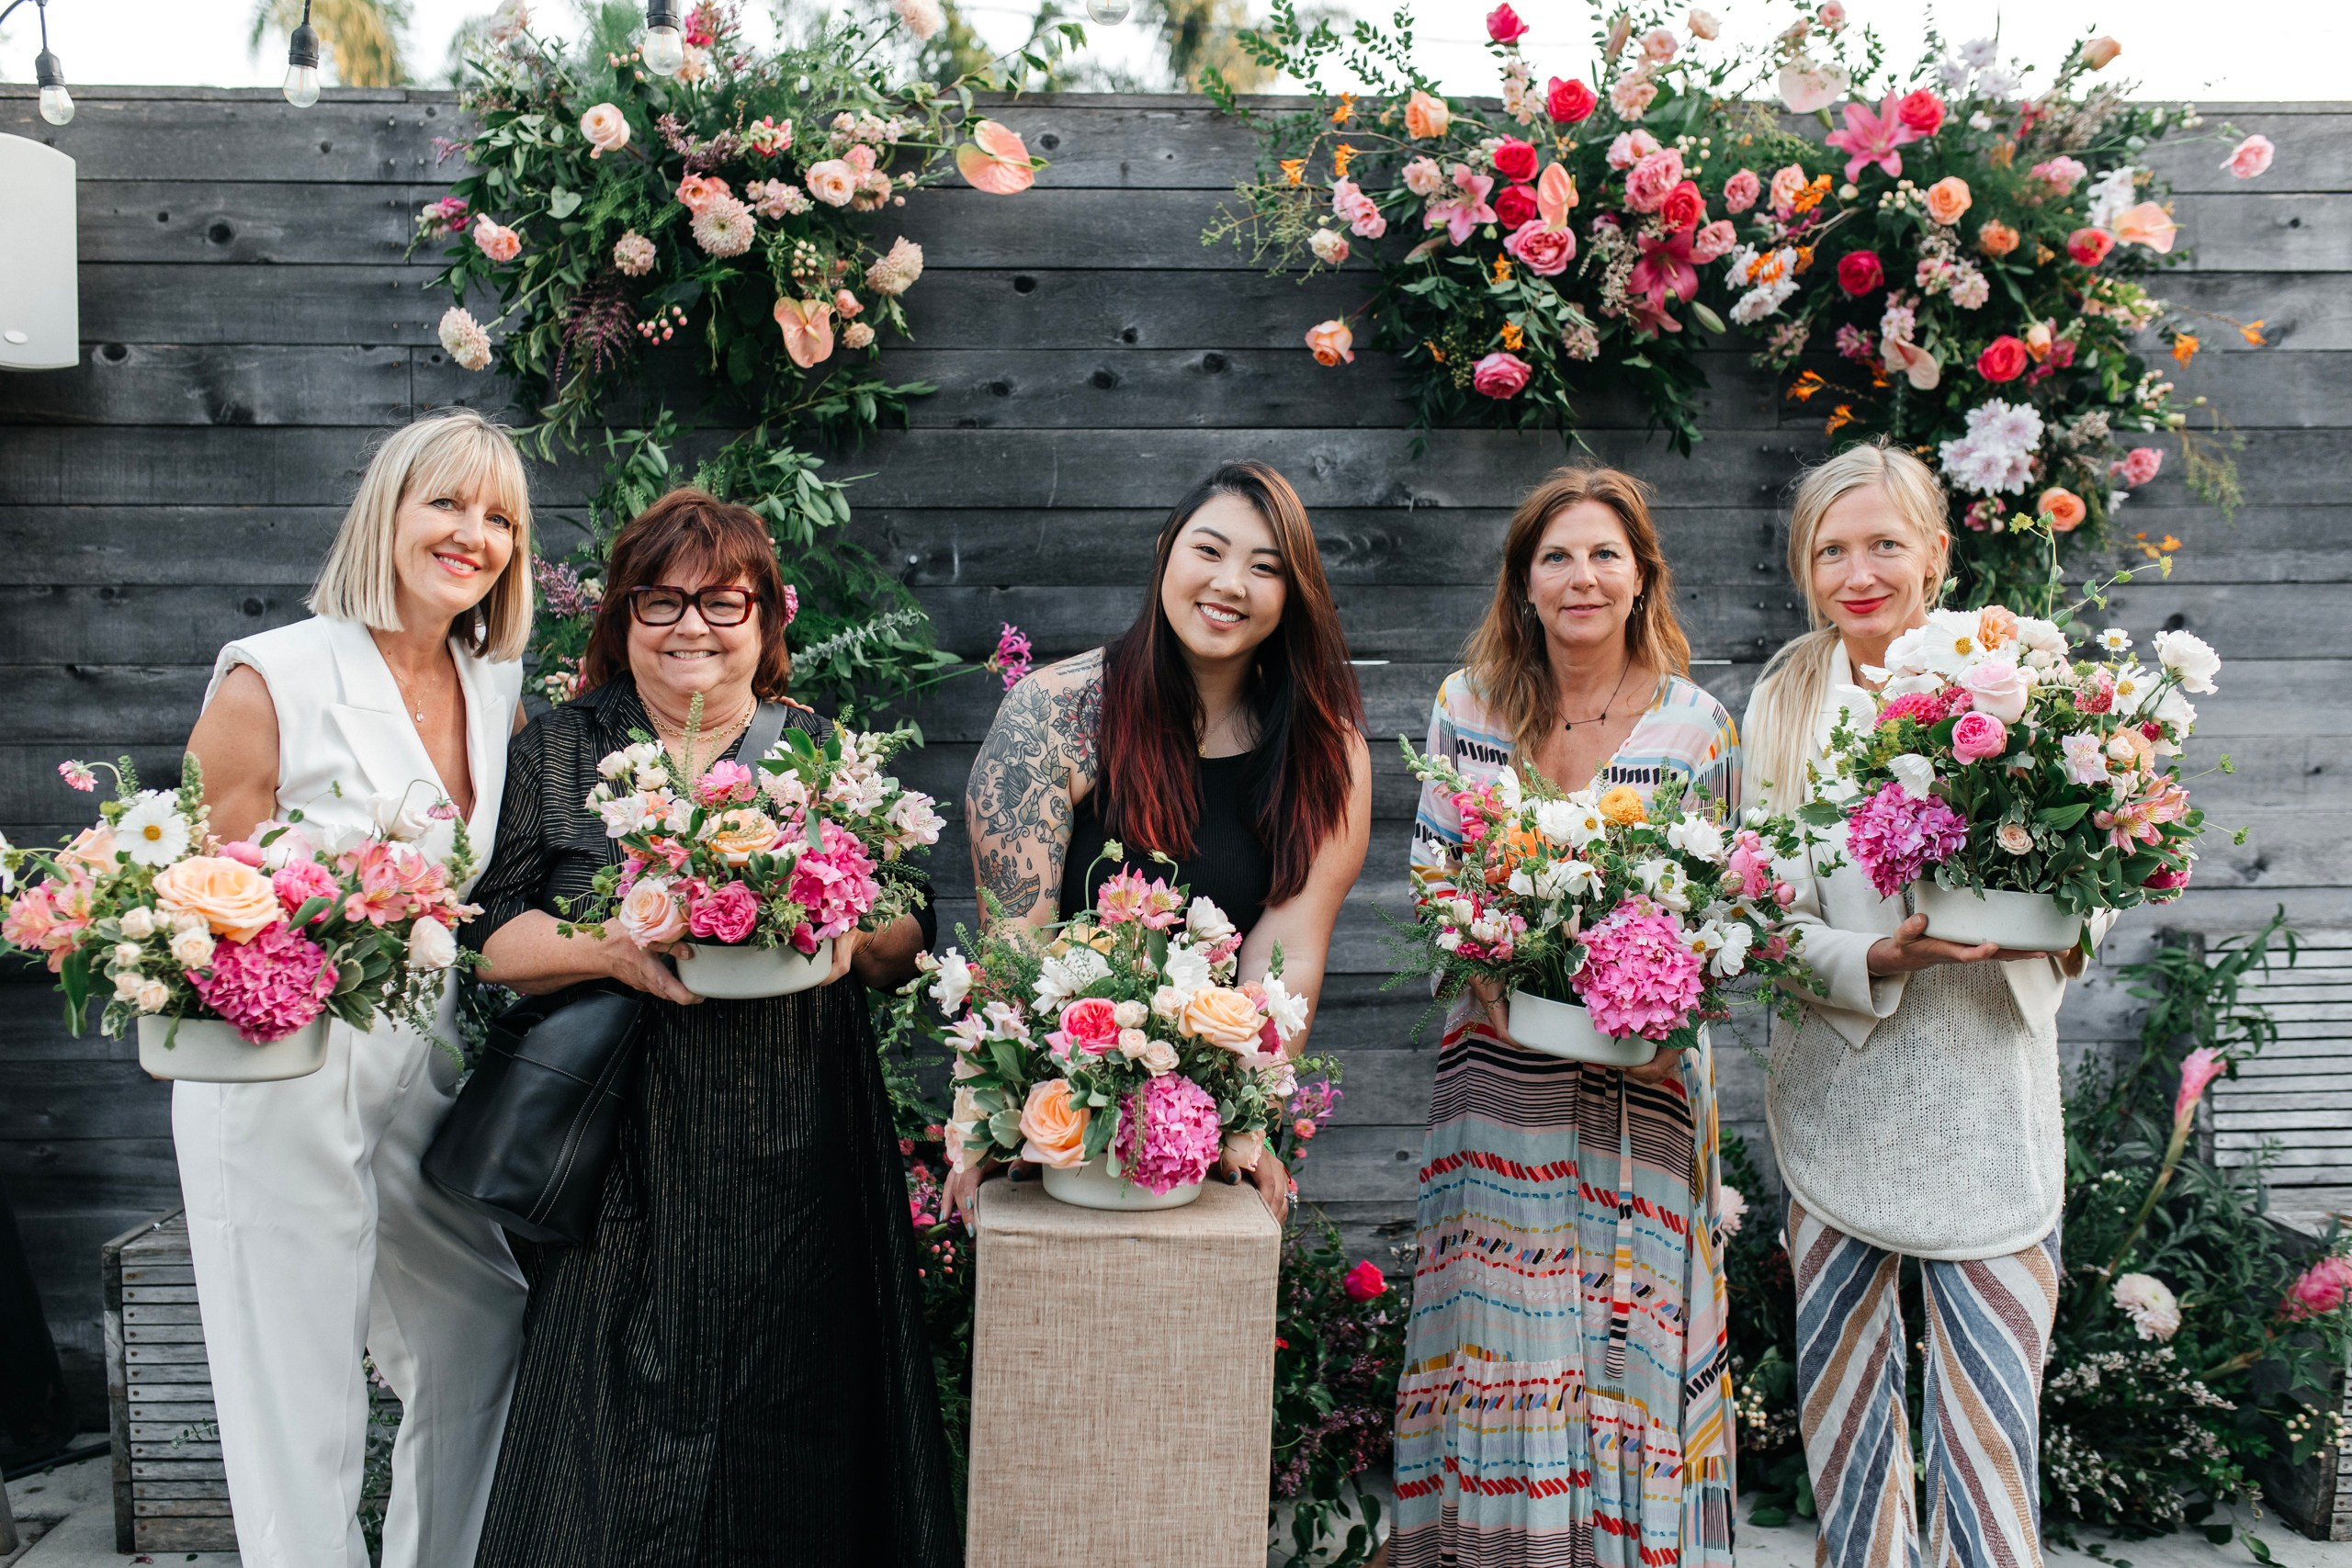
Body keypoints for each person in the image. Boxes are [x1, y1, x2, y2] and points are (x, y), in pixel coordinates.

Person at [463, 489, 956, 1567]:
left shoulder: (823, 752)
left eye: (721, 601)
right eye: (660, 600)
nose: (691, 625)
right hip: (621, 1144)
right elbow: (489, 930)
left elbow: (909, 930)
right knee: (605, 1428)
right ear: (620, 619)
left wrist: (851, 932)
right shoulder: (562, 750)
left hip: (800, 1137)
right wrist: (609, 949)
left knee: (797, 1417)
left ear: (767, 618)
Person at [178, 409, 536, 1568]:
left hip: (413, 1066)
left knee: (478, 1320)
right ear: (387, 511)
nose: (470, 534)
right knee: (301, 1388)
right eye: (445, 503)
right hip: (278, 1073)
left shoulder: (494, 686)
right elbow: (198, 893)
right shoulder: (273, 676)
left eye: (497, 517)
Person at [1739, 442, 2082, 1568]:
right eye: (1829, 550)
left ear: (1935, 550)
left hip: (1988, 1103)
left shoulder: (2015, 678)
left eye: (1883, 543)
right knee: (1846, 1431)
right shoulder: (1783, 703)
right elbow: (1759, 914)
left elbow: (2105, 863)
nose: (1857, 572)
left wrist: (2055, 922)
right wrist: (1870, 957)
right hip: (1840, 1101)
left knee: (1990, 1434)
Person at [1389, 466, 1739, 1568]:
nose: (1580, 577)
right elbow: (1434, 876)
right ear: (1523, 585)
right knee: (1506, 1331)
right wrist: (1506, 967)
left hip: (1644, 1089)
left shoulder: (1698, 726)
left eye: (1603, 555)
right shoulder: (1467, 706)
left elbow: (1728, 906)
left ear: (1641, 579)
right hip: (1500, 1079)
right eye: (1555, 557)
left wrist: (1651, 990)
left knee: (1626, 1329)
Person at [949, 460, 1372, 1223]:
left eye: (1265, 567)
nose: (1231, 583)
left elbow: (1289, 963)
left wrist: (1241, 1121)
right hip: (1060, 1111)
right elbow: (1014, 943)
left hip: (1209, 1127)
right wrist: (988, 1117)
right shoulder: (1052, 714)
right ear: (1165, 551)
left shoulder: (1327, 753)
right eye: (1209, 551)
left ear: (1294, 593)